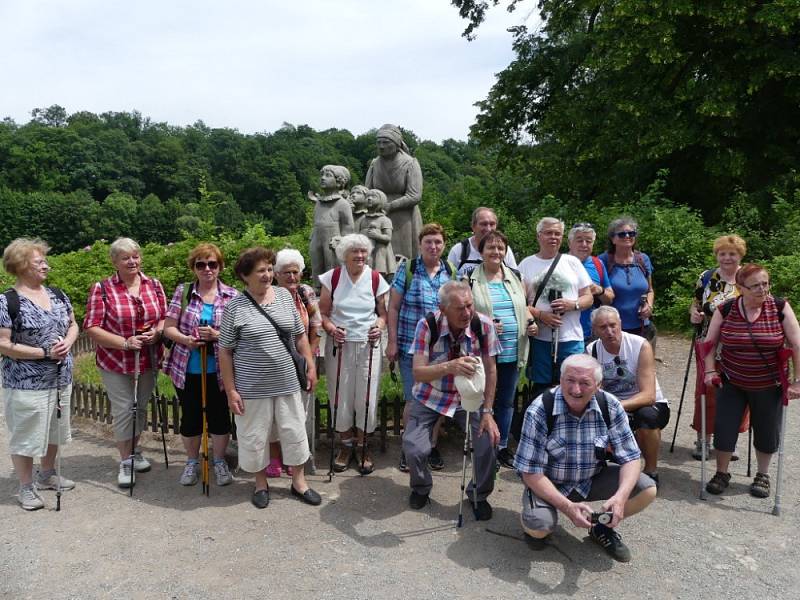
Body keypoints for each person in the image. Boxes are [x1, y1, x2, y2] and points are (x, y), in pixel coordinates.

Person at [514, 354, 657, 562]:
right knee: (539, 528)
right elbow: (530, 472)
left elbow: (631, 458)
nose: (576, 390)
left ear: (598, 385)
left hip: (590, 479)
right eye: (570, 381)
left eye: (585, 383)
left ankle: (601, 528)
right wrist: (567, 507)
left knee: (647, 489)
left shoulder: (611, 406)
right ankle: (539, 515)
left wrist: (620, 497)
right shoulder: (539, 409)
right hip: (548, 483)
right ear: (560, 380)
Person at [218, 247, 320, 508]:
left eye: (269, 269)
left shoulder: (286, 296)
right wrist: (231, 391)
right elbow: (225, 352)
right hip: (252, 387)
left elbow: (299, 336)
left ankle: (299, 482)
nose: (267, 275)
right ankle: (260, 484)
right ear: (244, 276)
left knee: (294, 430)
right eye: (260, 271)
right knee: (255, 435)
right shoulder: (234, 308)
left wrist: (310, 365)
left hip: (287, 381)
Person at [403, 280, 500, 520]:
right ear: (443, 308)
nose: (467, 313)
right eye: (460, 308)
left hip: (470, 398)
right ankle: (421, 486)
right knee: (414, 448)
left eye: (470, 306)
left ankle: (479, 494)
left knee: (488, 441)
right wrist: (451, 366)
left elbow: (491, 370)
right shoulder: (427, 324)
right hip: (431, 395)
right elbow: (418, 372)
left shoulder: (483, 325)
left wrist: (488, 411)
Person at [702, 263, 800, 498]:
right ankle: (722, 472)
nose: (762, 289)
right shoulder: (725, 310)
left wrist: (798, 381)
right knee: (724, 429)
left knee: (767, 431)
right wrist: (709, 371)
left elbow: (797, 344)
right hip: (731, 381)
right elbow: (709, 343)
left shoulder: (779, 308)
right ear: (740, 288)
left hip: (769, 384)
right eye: (755, 285)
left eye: (765, 283)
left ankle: (763, 475)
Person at [0, 238, 79, 510]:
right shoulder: (7, 301)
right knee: (27, 434)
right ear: (22, 266)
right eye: (39, 262)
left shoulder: (57, 294)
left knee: (55, 430)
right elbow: (3, 343)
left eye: (45, 261)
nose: (46, 265)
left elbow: (73, 324)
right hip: (25, 382)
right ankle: (25, 487)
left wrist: (69, 341)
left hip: (60, 378)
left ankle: (46, 474)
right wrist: (44, 353)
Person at [83, 237, 167, 488]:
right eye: (125, 257)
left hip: (149, 357)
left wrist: (158, 332)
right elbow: (92, 328)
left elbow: (165, 317)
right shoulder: (103, 288)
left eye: (135, 256)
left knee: (140, 408)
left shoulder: (154, 284)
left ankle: (134, 449)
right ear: (114, 261)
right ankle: (126, 461)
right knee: (124, 411)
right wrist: (124, 342)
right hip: (116, 360)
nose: (132, 261)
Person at [162, 243, 237, 487]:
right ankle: (192, 462)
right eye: (201, 264)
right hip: (187, 367)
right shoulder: (183, 292)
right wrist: (186, 339)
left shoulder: (232, 295)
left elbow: (238, 333)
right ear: (193, 267)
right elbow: (168, 327)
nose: (207, 269)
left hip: (220, 370)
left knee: (219, 417)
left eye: (212, 264)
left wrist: (217, 335)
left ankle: (219, 461)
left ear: (220, 267)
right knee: (191, 417)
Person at [319, 234, 390, 474]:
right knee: (340, 396)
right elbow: (324, 314)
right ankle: (345, 446)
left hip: (368, 344)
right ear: (344, 255)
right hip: (340, 344)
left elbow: (383, 314)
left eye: (363, 252)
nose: (360, 256)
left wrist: (379, 327)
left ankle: (363, 446)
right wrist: (331, 328)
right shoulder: (333, 278)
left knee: (367, 397)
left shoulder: (375, 278)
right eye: (355, 252)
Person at [387, 223, 455, 472]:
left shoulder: (450, 271)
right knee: (414, 399)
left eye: (437, 242)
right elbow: (393, 307)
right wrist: (391, 341)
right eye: (428, 242)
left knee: (438, 399)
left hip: (441, 347)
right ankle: (410, 448)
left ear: (443, 245)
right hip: (410, 345)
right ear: (420, 244)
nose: (433, 246)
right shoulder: (407, 269)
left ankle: (432, 445)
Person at [466, 230, 536, 468]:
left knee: (505, 401)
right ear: (481, 252)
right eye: (490, 248)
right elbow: (463, 312)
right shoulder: (470, 277)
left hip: (511, 349)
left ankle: (502, 446)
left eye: (500, 248)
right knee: (480, 400)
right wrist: (484, 323)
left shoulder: (515, 276)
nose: (496, 252)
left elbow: (525, 307)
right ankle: (482, 446)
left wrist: (531, 322)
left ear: (506, 252)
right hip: (483, 350)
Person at [588, 306, 669, 485]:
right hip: (613, 404)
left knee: (646, 416)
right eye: (603, 327)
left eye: (613, 325)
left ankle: (651, 470)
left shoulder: (640, 345)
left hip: (645, 403)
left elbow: (648, 395)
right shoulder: (591, 350)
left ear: (620, 324)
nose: (609, 331)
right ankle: (600, 464)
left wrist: (615, 406)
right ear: (594, 330)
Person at [518, 217, 593, 398]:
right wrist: (540, 315)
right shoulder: (526, 265)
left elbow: (588, 297)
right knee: (541, 390)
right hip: (540, 339)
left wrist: (572, 304)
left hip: (571, 338)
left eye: (557, 233)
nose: (553, 237)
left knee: (573, 386)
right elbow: (519, 303)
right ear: (539, 236)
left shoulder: (572, 262)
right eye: (549, 233)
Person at [688, 234, 748, 460]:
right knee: (706, 391)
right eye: (722, 253)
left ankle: (728, 441)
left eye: (732, 253)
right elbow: (695, 303)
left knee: (738, 392)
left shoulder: (749, 277)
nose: (726, 258)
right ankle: (704, 440)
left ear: (740, 255)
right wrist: (694, 314)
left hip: (740, 347)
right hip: (708, 344)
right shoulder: (706, 277)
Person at [267, 248, 322, 478]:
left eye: (295, 272)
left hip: (301, 361)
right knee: (273, 415)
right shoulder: (267, 294)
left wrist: (308, 361)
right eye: (286, 272)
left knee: (298, 413)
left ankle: (294, 459)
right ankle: (274, 457)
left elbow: (316, 326)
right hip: (273, 365)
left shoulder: (305, 292)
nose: (292, 277)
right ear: (276, 275)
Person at [365, 124, 423, 261]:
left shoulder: (410, 163)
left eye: (385, 142)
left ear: (396, 143)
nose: (381, 146)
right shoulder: (375, 164)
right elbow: (367, 191)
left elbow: (415, 195)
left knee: (405, 259)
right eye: (378, 142)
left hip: (405, 218)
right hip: (378, 218)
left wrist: (390, 206)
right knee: (379, 259)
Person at [598, 217, 656, 350]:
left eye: (632, 233)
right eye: (622, 234)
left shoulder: (643, 259)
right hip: (611, 330)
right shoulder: (603, 261)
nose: (628, 236)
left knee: (643, 368)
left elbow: (650, 290)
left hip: (643, 327)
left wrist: (649, 305)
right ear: (613, 239)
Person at [567, 223, 614, 343]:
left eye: (588, 241)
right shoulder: (558, 263)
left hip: (592, 336)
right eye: (579, 240)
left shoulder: (598, 264)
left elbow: (610, 299)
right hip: (565, 335)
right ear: (569, 243)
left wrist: (599, 290)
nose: (584, 245)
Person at [309, 165, 355, 285]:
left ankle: (334, 289)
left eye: (328, 176)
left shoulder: (342, 204)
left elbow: (348, 226)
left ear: (339, 182)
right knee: (317, 263)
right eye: (322, 175)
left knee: (332, 265)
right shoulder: (319, 203)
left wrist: (342, 240)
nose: (323, 178)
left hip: (333, 240)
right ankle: (318, 287)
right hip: (317, 238)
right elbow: (316, 222)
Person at [447, 207, 518, 279]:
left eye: (492, 224)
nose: (488, 229)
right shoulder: (459, 250)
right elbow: (447, 280)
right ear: (473, 226)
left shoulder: (504, 250)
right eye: (484, 224)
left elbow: (515, 277)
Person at [359, 188, 396, 278]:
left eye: (373, 197)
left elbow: (388, 238)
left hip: (380, 253)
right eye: (367, 196)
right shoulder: (363, 219)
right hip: (367, 252)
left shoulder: (384, 220)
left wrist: (377, 236)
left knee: (380, 275)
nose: (369, 198)